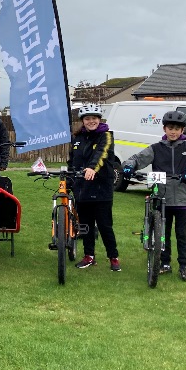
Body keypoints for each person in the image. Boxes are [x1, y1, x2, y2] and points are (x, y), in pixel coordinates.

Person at [123, 110, 186, 281]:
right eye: (170, 128)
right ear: (164, 128)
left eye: (177, 128)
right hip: (161, 196)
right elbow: (137, 158)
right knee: (162, 232)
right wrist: (129, 166)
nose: (173, 131)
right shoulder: (156, 148)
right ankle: (164, 262)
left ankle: (183, 265)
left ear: (183, 130)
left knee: (182, 232)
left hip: (182, 198)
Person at [69, 104, 121, 272]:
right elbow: (73, 161)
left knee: (105, 225)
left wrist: (92, 168)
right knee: (85, 225)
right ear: (83, 121)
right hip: (82, 188)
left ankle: (113, 257)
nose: (91, 121)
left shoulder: (106, 136)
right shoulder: (77, 139)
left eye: (94, 118)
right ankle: (89, 256)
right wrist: (69, 180)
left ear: (99, 119)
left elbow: (102, 153)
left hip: (101, 188)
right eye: (87, 118)